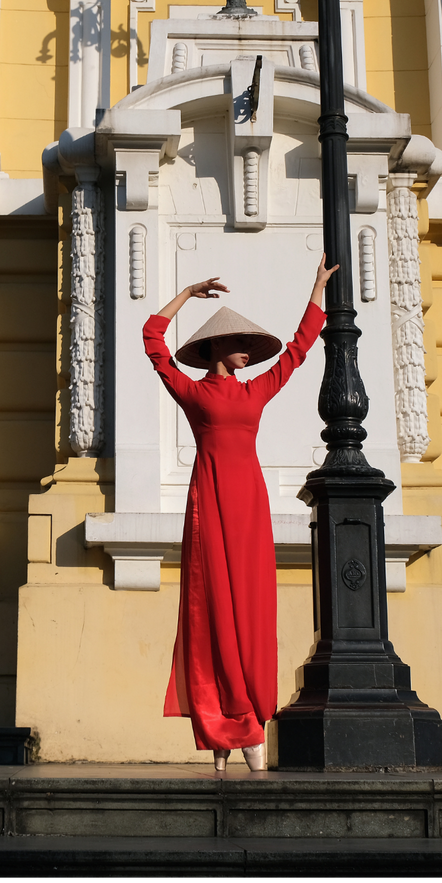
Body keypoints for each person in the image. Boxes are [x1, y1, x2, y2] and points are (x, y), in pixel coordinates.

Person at [143, 256, 337, 774]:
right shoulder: (194, 392)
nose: (248, 351)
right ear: (215, 349)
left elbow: (298, 349)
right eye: (239, 344)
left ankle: (249, 724)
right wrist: (186, 292)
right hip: (208, 503)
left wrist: (316, 288)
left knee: (250, 612)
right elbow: (153, 340)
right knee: (213, 616)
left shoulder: (256, 390)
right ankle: (220, 731)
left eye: (250, 346)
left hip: (250, 506)